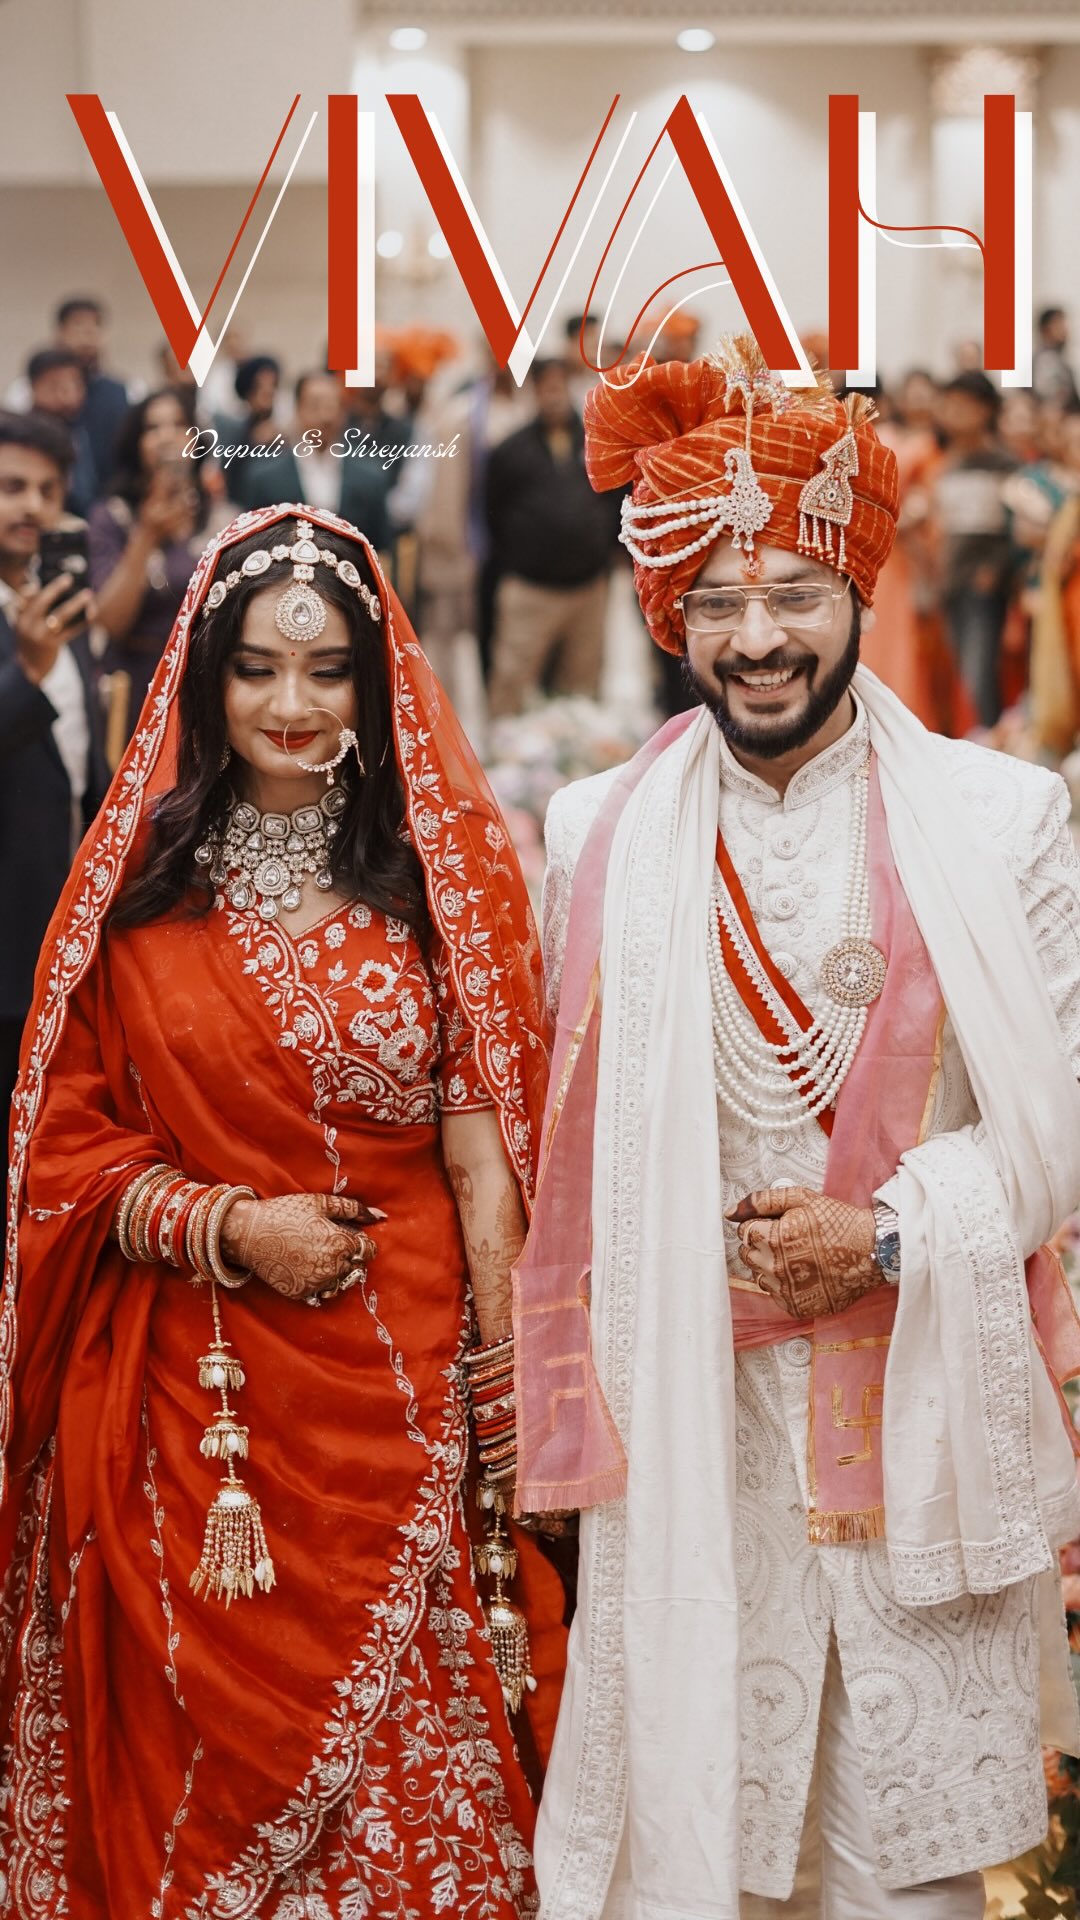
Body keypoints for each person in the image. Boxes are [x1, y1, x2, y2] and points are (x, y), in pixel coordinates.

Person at [513, 337, 1080, 1918]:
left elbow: (1058, 1129)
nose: (756, 640)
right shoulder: (592, 835)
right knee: (707, 1863)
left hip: (915, 1417)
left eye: (794, 597)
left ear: (860, 598)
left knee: (912, 1887)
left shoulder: (999, 818)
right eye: (715, 602)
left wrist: (886, 1231)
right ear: (669, 618)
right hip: (696, 1444)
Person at [0, 503, 566, 1915]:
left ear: (379, 685)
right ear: (205, 682)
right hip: (197, 1422)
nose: (295, 706)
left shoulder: (448, 886)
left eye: (329, 673)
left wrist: (512, 1424)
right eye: (257, 669)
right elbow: (60, 1154)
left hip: (411, 1400)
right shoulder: (132, 895)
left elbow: (489, 1170)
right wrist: (227, 1228)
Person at [0, 409, 106, 1248]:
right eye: (10, 486)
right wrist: (26, 672)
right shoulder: (28, 631)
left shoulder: (48, 599)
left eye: (45, 487)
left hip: (53, 900)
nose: (29, 504)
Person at [89, 386, 220, 753]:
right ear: (136, 443)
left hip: (207, 682)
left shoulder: (223, 516)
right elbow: (110, 621)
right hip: (136, 685)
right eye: (152, 428)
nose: (166, 436)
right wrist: (146, 534)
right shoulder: (112, 518)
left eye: (178, 424)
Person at [486, 359, 619, 718]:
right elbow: (492, 514)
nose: (554, 396)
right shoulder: (510, 450)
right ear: (534, 393)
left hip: (587, 590)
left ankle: (579, 761)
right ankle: (504, 762)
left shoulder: (598, 440)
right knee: (512, 683)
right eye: (546, 388)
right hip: (531, 591)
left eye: (560, 386)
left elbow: (613, 501)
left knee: (582, 685)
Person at [229, 372, 404, 555]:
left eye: (333, 405)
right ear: (298, 409)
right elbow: (252, 548)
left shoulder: (371, 477)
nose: (325, 415)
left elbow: (382, 549)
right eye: (315, 405)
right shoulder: (265, 477)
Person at [932, 370, 1018, 727]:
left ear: (985, 410)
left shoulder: (1005, 464)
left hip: (984, 585)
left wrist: (996, 570)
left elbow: (1015, 527)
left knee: (979, 669)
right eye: (948, 405)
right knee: (962, 669)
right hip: (952, 580)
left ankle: (990, 737)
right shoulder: (947, 463)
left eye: (961, 406)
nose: (951, 414)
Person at [23, 347, 98, 516]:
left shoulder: (79, 429)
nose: (68, 394)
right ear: (34, 386)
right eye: (56, 384)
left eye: (76, 384)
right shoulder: (22, 435)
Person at [1033, 307, 1080, 413]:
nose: (1065, 330)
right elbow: (1054, 399)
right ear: (1046, 329)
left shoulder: (1059, 358)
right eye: (1059, 324)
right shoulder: (1046, 360)